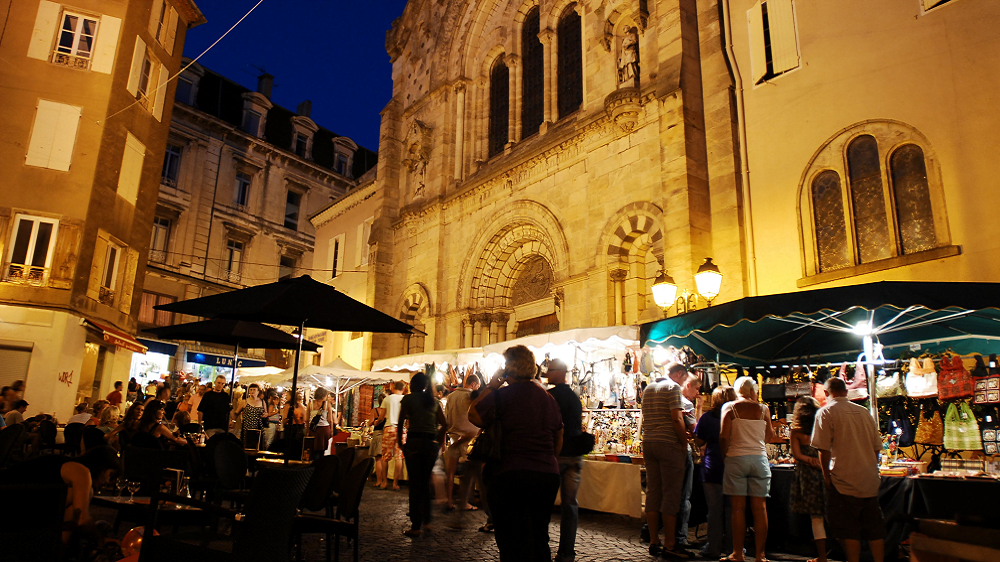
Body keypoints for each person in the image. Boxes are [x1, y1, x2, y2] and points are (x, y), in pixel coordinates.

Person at [469, 345, 563, 562]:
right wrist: (548, 460)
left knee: (512, 539)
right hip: (546, 475)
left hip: (509, 474)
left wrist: (491, 386)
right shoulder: (548, 398)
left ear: (508, 368)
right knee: (539, 536)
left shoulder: (502, 395)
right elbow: (559, 435)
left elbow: (473, 414)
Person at [811, 377, 885, 562]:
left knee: (849, 528)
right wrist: (872, 467)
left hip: (843, 478)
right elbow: (876, 447)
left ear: (827, 393)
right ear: (846, 391)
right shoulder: (864, 412)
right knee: (874, 527)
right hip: (869, 478)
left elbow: (823, 450)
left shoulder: (826, 412)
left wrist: (826, 476)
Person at [3, 446, 121, 542]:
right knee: (79, 499)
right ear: (101, 466)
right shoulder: (81, 471)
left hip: (13, 499)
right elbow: (82, 519)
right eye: (110, 475)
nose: (106, 482)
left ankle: (57, 552)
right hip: (11, 504)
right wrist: (101, 541)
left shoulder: (65, 464)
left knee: (72, 500)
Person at [720, 376, 775, 562]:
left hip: (736, 458)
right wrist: (757, 443)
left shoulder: (729, 408)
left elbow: (723, 437)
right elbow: (770, 435)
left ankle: (737, 553)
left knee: (738, 509)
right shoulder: (763, 409)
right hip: (759, 459)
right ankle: (760, 555)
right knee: (760, 508)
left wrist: (725, 455)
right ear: (753, 390)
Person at [640, 363, 693, 560]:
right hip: (668, 443)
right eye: (684, 378)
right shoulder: (673, 387)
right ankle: (670, 543)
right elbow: (676, 418)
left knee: (653, 491)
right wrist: (682, 441)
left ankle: (654, 540)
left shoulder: (648, 389)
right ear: (679, 374)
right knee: (671, 493)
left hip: (649, 442)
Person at [398, 372, 447, 537]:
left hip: (414, 443)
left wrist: (400, 443)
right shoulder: (434, 401)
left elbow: (400, 423)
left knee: (415, 484)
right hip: (429, 444)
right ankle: (427, 522)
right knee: (425, 483)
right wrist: (438, 441)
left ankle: (416, 525)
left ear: (413, 385)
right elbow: (445, 424)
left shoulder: (408, 399)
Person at [547, 359, 584, 562]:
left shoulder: (550, 397)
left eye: (550, 370)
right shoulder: (574, 397)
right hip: (573, 456)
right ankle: (567, 552)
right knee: (570, 505)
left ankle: (542, 547)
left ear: (561, 372)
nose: (547, 373)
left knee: (545, 502)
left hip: (556, 454)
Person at [695, 386, 737, 559]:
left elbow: (698, 441)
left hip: (712, 466)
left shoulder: (707, 418)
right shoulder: (737, 416)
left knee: (714, 510)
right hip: (733, 465)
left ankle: (713, 547)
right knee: (733, 509)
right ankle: (733, 548)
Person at [789, 396, 827, 562]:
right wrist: (818, 461)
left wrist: (809, 460)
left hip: (807, 475)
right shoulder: (823, 427)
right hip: (824, 471)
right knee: (831, 513)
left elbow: (796, 455)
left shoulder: (796, 431)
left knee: (816, 517)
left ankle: (822, 556)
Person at [444, 375, 480, 509]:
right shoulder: (472, 397)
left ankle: (449, 500)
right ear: (473, 384)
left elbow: (446, 417)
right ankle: (465, 502)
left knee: (451, 472)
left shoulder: (451, 396)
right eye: (477, 386)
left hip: (453, 437)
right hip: (468, 439)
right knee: (467, 473)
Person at [676, 372, 701, 549]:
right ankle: (680, 537)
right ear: (687, 386)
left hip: (668, 450)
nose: (698, 393)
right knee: (684, 496)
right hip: (682, 451)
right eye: (697, 389)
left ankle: (649, 530)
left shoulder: (671, 400)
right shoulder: (686, 404)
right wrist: (698, 408)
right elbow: (697, 431)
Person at [379, 381, 407, 490]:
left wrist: (377, 422)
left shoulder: (387, 399)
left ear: (393, 387)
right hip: (401, 429)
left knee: (385, 456)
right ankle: (395, 483)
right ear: (404, 389)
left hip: (389, 427)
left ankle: (385, 482)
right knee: (399, 457)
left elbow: (382, 416)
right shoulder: (404, 400)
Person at [236, 383, 266, 449]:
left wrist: (265, 415)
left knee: (258, 446)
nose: (252, 391)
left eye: (254, 390)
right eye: (251, 390)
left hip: (258, 428)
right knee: (247, 446)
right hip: (247, 428)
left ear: (258, 391)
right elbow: (236, 413)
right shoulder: (244, 401)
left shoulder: (262, 402)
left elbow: (266, 413)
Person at [369, 393, 387, 488]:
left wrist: (373, 422)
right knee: (385, 459)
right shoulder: (388, 412)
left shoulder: (375, 411)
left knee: (378, 459)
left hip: (377, 434)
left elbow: (370, 423)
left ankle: (379, 481)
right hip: (386, 434)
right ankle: (385, 481)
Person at [310, 387, 334, 457]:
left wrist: (308, 430)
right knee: (322, 449)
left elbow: (306, 418)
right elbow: (330, 419)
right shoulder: (327, 404)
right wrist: (331, 430)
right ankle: (321, 464)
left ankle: (313, 465)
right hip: (324, 428)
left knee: (314, 448)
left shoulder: (311, 403)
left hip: (314, 429)